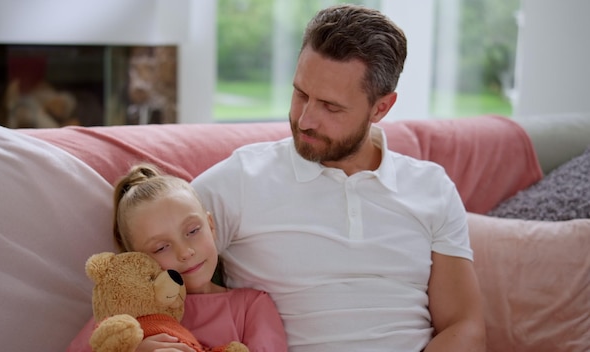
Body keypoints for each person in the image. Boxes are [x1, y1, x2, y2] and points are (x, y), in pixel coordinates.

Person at [190, 4, 486, 352]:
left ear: (381, 108)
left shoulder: (431, 188)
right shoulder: (240, 179)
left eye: (331, 107)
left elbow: (464, 325)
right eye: (301, 93)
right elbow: (142, 269)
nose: (305, 120)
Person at [112, 163, 287, 352]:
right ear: (136, 260)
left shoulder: (251, 307)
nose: (185, 252)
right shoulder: (124, 312)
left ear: (211, 226)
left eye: (193, 231)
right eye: (162, 247)